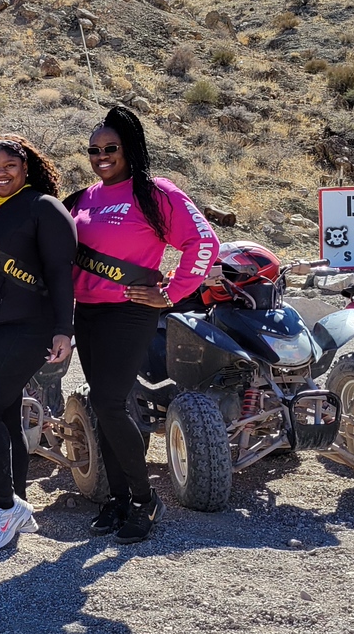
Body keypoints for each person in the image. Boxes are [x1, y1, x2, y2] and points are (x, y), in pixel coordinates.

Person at [67, 106, 219, 544]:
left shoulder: (155, 192)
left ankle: (144, 498)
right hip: (87, 312)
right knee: (103, 405)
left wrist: (172, 293)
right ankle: (118, 500)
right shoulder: (83, 198)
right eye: (94, 150)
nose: (101, 156)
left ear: (129, 149)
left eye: (110, 148)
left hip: (129, 311)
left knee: (110, 402)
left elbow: (203, 242)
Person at [0, 136, 76, 552]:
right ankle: (13, 505)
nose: (0, 173)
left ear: (26, 168)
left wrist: (64, 328)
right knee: (4, 416)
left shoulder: (44, 207)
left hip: (24, 326)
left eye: (9, 166)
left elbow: (60, 273)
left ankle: (5, 508)